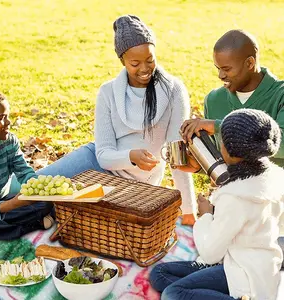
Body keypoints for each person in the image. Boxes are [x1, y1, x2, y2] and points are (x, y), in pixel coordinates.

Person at [34, 15, 196, 225]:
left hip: (131, 185)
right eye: (135, 63)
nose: (145, 69)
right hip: (97, 162)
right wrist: (130, 156)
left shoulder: (174, 90)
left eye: (150, 59)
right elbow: (103, 155)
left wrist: (189, 211)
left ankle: (45, 216)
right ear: (122, 60)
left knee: (65, 212)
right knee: (33, 188)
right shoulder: (108, 92)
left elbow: (177, 156)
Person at [150, 108, 284, 300]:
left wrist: (206, 215)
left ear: (228, 150)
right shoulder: (276, 177)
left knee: (173, 293)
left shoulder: (235, 197)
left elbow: (210, 253)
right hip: (257, 265)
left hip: (244, 274)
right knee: (159, 274)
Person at [179, 29, 284, 263]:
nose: (220, 75)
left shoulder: (281, 95)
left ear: (250, 63)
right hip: (232, 205)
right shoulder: (214, 100)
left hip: (273, 209)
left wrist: (218, 126)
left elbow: (281, 142)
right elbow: (227, 159)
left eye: (226, 69)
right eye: (217, 68)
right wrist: (200, 165)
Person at [0, 90, 54, 247]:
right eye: (1, 118)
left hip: (3, 202)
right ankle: (33, 224)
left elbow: (24, 172)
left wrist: (38, 189)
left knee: (47, 203)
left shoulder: (9, 141)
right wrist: (14, 204)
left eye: (8, 116)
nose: (8, 122)